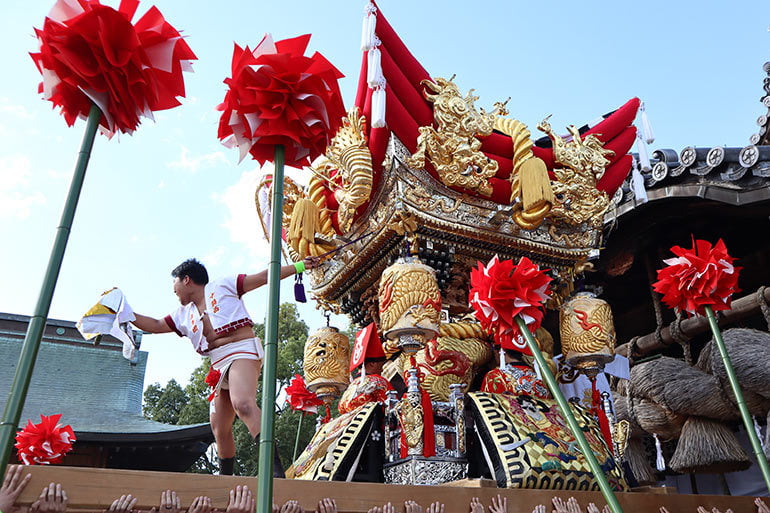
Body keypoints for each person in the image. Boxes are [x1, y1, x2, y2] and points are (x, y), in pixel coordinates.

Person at [131, 257, 318, 477]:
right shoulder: (183, 314)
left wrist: (299, 266)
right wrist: (124, 312)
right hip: (217, 363)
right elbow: (155, 325)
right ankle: (225, 478)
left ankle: (275, 470)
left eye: (175, 284)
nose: (174, 290)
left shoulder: (223, 285)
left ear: (186, 279)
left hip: (241, 349)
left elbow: (263, 277)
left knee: (243, 404)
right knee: (219, 427)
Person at [337, 322, 393, 415]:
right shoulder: (378, 382)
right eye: (381, 365)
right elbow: (393, 409)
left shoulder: (350, 388)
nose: (382, 370)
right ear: (372, 364)